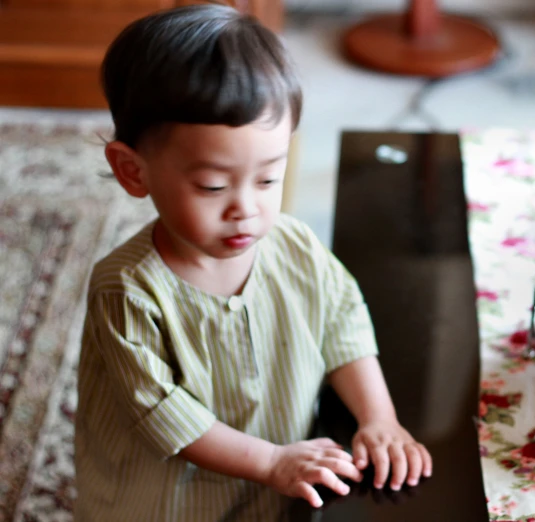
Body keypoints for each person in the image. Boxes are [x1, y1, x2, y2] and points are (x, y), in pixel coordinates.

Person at [74, 5, 432, 521]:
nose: (247, 208)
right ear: (133, 171)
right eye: (213, 186)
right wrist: (270, 462)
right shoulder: (127, 290)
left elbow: (343, 322)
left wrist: (378, 418)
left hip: (280, 470)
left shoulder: (294, 246)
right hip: (169, 498)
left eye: (268, 179)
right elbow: (163, 412)